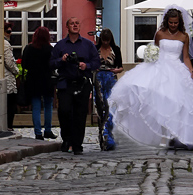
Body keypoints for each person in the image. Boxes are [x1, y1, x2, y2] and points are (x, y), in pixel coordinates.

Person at [108, 7, 193, 148]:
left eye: (175, 23)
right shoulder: (160, 34)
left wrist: (192, 72)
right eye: (170, 22)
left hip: (177, 70)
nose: (173, 25)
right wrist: (148, 61)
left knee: (178, 104)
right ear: (166, 21)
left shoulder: (184, 36)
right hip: (160, 68)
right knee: (160, 102)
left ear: (179, 22)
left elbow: (186, 57)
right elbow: (155, 51)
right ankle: (163, 136)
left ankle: (175, 135)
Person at [50, 17, 100, 155]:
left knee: (80, 114)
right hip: (65, 83)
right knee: (64, 112)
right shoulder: (60, 45)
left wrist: (86, 66)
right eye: (72, 23)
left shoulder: (88, 45)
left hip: (82, 83)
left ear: (80, 26)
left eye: (77, 23)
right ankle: (67, 139)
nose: (75, 25)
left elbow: (96, 63)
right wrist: (62, 60)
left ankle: (77, 144)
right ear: (67, 26)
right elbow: (51, 63)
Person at [22, 26, 56, 140]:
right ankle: (48, 130)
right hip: (47, 79)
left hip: (33, 80)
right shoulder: (50, 50)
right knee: (48, 105)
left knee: (36, 106)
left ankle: (38, 132)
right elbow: (53, 65)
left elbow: (24, 65)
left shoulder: (29, 48)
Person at [94, 28, 123, 151]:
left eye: (108, 40)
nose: (106, 43)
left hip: (111, 79)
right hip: (99, 80)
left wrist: (116, 71)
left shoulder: (115, 49)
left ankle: (108, 136)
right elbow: (91, 64)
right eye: (104, 40)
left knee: (111, 107)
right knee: (101, 107)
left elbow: (120, 67)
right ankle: (103, 137)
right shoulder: (95, 49)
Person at [3, 24, 18, 131]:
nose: (10, 34)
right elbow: (9, 62)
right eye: (8, 31)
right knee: (11, 103)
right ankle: (9, 126)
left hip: (4, 77)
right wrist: (16, 71)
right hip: (7, 78)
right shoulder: (5, 44)